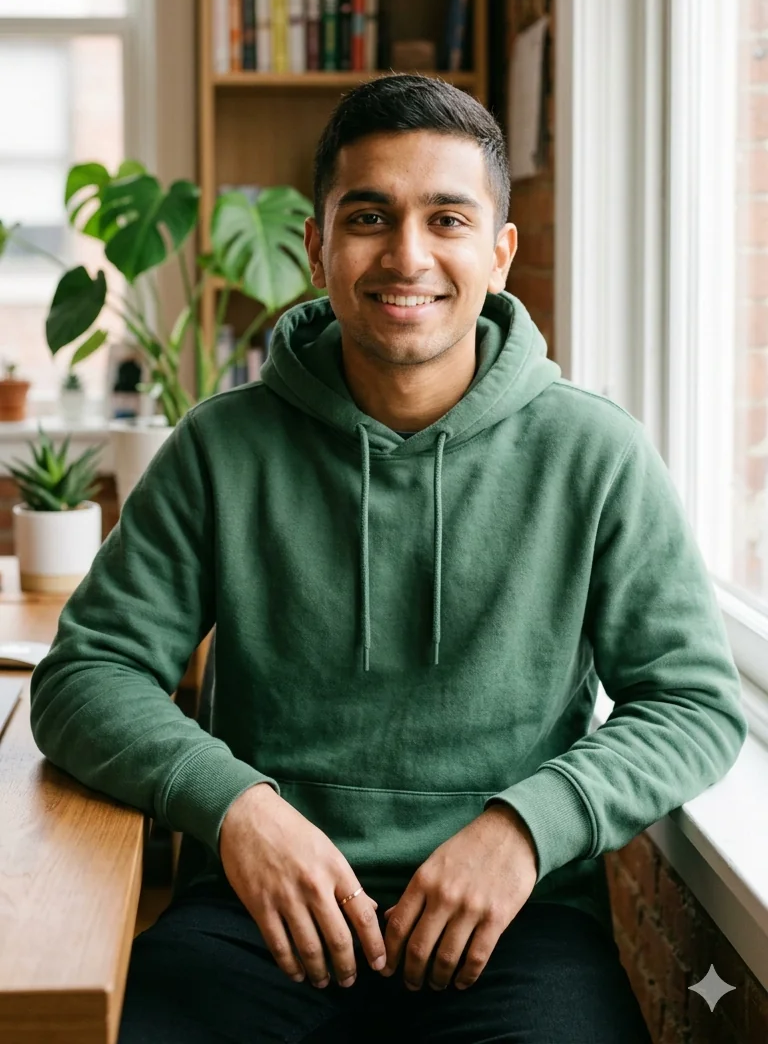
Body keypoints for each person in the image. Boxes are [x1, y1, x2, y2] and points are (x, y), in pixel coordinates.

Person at [30, 74, 747, 1043]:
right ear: (318, 246)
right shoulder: (219, 446)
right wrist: (239, 806)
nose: (407, 254)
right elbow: (83, 676)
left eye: (446, 218)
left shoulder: (597, 453)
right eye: (370, 215)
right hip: (258, 914)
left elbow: (695, 702)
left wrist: (524, 826)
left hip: (515, 926)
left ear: (498, 253)